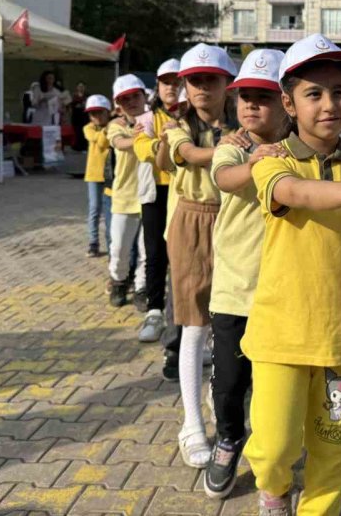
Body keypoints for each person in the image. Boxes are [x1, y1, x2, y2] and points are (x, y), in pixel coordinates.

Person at [241, 34, 341, 516]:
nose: (330, 104)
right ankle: (274, 492)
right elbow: (293, 192)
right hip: (279, 333)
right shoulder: (272, 161)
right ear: (289, 103)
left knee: (333, 449)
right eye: (314, 93)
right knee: (275, 445)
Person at [204, 48, 289, 500]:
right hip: (235, 291)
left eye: (264, 96)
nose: (252, 105)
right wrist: (255, 162)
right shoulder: (232, 147)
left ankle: (274, 457)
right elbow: (225, 180)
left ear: (286, 102)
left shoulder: (298, 146)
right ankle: (228, 440)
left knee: (277, 387)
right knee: (230, 383)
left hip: (284, 294)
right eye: (244, 97)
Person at [157, 44, 238, 469]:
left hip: (236, 222)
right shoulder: (178, 128)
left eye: (212, 79)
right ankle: (192, 424)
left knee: (229, 326)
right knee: (193, 325)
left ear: (228, 84)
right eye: (195, 80)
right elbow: (185, 156)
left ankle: (218, 400)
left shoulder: (243, 124)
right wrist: (238, 153)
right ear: (185, 86)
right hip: (192, 222)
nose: (203, 87)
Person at [133, 59, 183, 351]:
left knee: (183, 254)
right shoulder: (148, 118)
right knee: (154, 253)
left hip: (185, 195)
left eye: (177, 82)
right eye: (166, 83)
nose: (172, 88)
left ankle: (182, 311)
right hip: (156, 194)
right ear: (158, 87)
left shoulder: (193, 116)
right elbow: (141, 147)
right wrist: (164, 144)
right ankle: (154, 311)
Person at [106, 75, 148, 307]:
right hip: (124, 197)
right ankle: (119, 281)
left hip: (152, 196)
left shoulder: (157, 121)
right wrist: (141, 136)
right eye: (125, 99)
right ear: (117, 105)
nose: (131, 102)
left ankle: (142, 288)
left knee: (147, 250)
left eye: (135, 96)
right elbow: (120, 144)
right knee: (119, 247)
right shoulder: (116, 126)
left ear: (145, 96)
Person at [83, 95, 113, 258]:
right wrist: (108, 128)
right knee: (94, 209)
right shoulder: (88, 128)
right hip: (93, 176)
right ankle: (93, 242)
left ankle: (111, 243)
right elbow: (101, 142)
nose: (96, 117)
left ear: (107, 112)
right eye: (92, 113)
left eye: (100, 113)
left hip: (110, 176)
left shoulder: (114, 126)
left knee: (110, 211)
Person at [70, 82, 89, 151]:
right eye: (79, 86)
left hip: (84, 116)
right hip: (76, 116)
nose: (81, 88)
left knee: (84, 131)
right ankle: (77, 146)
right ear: (77, 87)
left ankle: (84, 147)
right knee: (77, 131)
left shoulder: (87, 96)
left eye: (82, 86)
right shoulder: (74, 96)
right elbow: (72, 105)